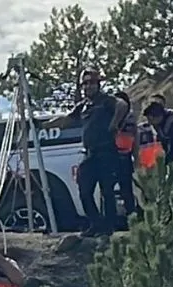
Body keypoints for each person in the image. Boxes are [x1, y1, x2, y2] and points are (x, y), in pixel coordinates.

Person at [40, 68, 128, 236]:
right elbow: (65, 120)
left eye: (91, 83)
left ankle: (108, 228)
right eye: (85, 83)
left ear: (98, 84)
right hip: (89, 153)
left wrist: (115, 123)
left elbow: (122, 105)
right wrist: (43, 126)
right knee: (84, 189)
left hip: (106, 152)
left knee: (107, 191)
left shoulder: (106, 100)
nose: (88, 86)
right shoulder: (83, 106)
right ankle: (95, 223)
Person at [113, 91, 139, 218]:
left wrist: (136, 157)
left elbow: (135, 139)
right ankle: (129, 214)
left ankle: (131, 215)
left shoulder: (125, 118)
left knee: (126, 189)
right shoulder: (130, 118)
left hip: (121, 155)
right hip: (117, 155)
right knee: (120, 189)